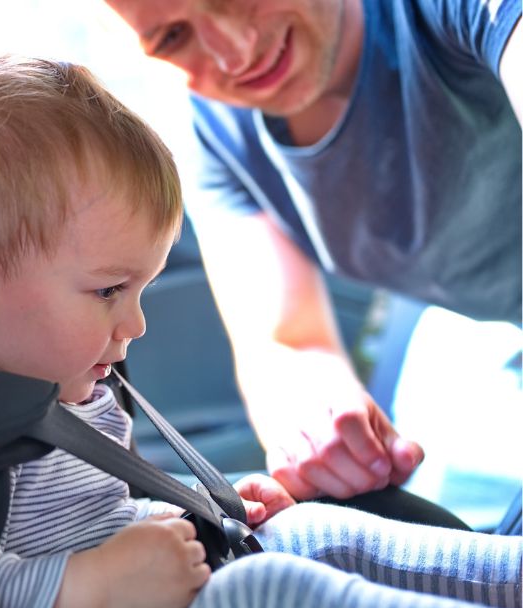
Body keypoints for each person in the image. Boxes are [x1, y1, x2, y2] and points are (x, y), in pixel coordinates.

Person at [0, 54, 522, 608]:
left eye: (139, 291)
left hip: (164, 578)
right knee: (274, 588)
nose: (136, 324)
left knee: (316, 530)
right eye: (107, 291)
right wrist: (96, 583)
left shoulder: (60, 384)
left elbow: (102, 509)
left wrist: (199, 506)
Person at [97, 0, 522, 510]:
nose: (235, 54)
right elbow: (289, 344)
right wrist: (325, 434)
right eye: (172, 38)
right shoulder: (216, 131)